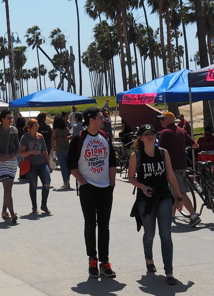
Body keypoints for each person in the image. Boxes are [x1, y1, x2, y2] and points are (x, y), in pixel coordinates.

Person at [128, 123, 190, 283]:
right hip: (145, 201)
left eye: (153, 133)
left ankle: (169, 272)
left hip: (163, 197)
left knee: (166, 234)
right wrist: (142, 187)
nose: (151, 136)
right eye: (147, 134)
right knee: (149, 234)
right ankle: (149, 259)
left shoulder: (163, 153)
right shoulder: (136, 156)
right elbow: (131, 178)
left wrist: (179, 196)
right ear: (141, 138)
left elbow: (170, 175)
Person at [67, 107, 119, 279]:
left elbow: (112, 160)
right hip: (88, 188)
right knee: (90, 224)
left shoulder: (104, 136)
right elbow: (71, 164)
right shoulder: (79, 139)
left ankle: (105, 262)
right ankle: (92, 260)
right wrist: (83, 182)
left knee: (105, 226)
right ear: (90, 119)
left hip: (105, 188)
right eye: (99, 117)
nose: (103, 119)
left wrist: (112, 182)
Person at [157, 111, 201, 227]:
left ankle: (194, 215)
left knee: (180, 192)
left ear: (169, 120)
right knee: (175, 191)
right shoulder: (182, 131)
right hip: (182, 165)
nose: (161, 121)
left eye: (163, 119)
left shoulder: (165, 132)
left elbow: (160, 151)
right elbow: (195, 145)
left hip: (172, 167)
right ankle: (172, 214)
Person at [0, 109, 20, 223]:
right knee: (6, 187)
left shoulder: (14, 130)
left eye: (11, 118)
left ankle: (4, 211)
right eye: (9, 118)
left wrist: (11, 155)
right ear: (3, 119)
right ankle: (12, 214)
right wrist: (0, 154)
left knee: (8, 189)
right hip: (1, 162)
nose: (11, 120)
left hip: (12, 161)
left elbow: (17, 147)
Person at [20, 118, 52, 215]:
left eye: (37, 125)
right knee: (33, 186)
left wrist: (49, 163)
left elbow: (45, 151)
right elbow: (21, 153)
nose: (37, 127)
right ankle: (34, 206)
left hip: (42, 163)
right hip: (31, 164)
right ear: (29, 128)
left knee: (47, 183)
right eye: (35, 126)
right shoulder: (25, 137)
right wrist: (30, 152)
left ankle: (44, 205)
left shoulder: (40, 137)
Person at [52, 115, 73, 190]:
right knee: (68, 166)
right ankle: (67, 180)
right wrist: (65, 139)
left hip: (59, 149)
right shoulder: (66, 128)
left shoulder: (55, 130)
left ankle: (66, 182)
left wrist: (54, 146)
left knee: (63, 167)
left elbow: (53, 139)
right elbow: (71, 135)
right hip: (67, 148)